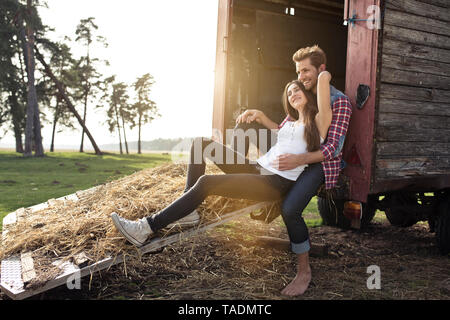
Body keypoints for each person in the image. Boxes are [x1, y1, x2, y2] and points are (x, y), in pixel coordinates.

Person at [111, 74, 333, 293]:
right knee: (201, 144)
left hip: (273, 182)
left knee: (207, 182)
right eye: (289, 92)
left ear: (307, 94)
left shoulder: (317, 122)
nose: (293, 93)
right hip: (257, 167)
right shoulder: (290, 123)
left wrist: (317, 74)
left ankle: (145, 227)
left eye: (297, 90)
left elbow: (323, 79)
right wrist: (261, 116)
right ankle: (189, 209)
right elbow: (278, 132)